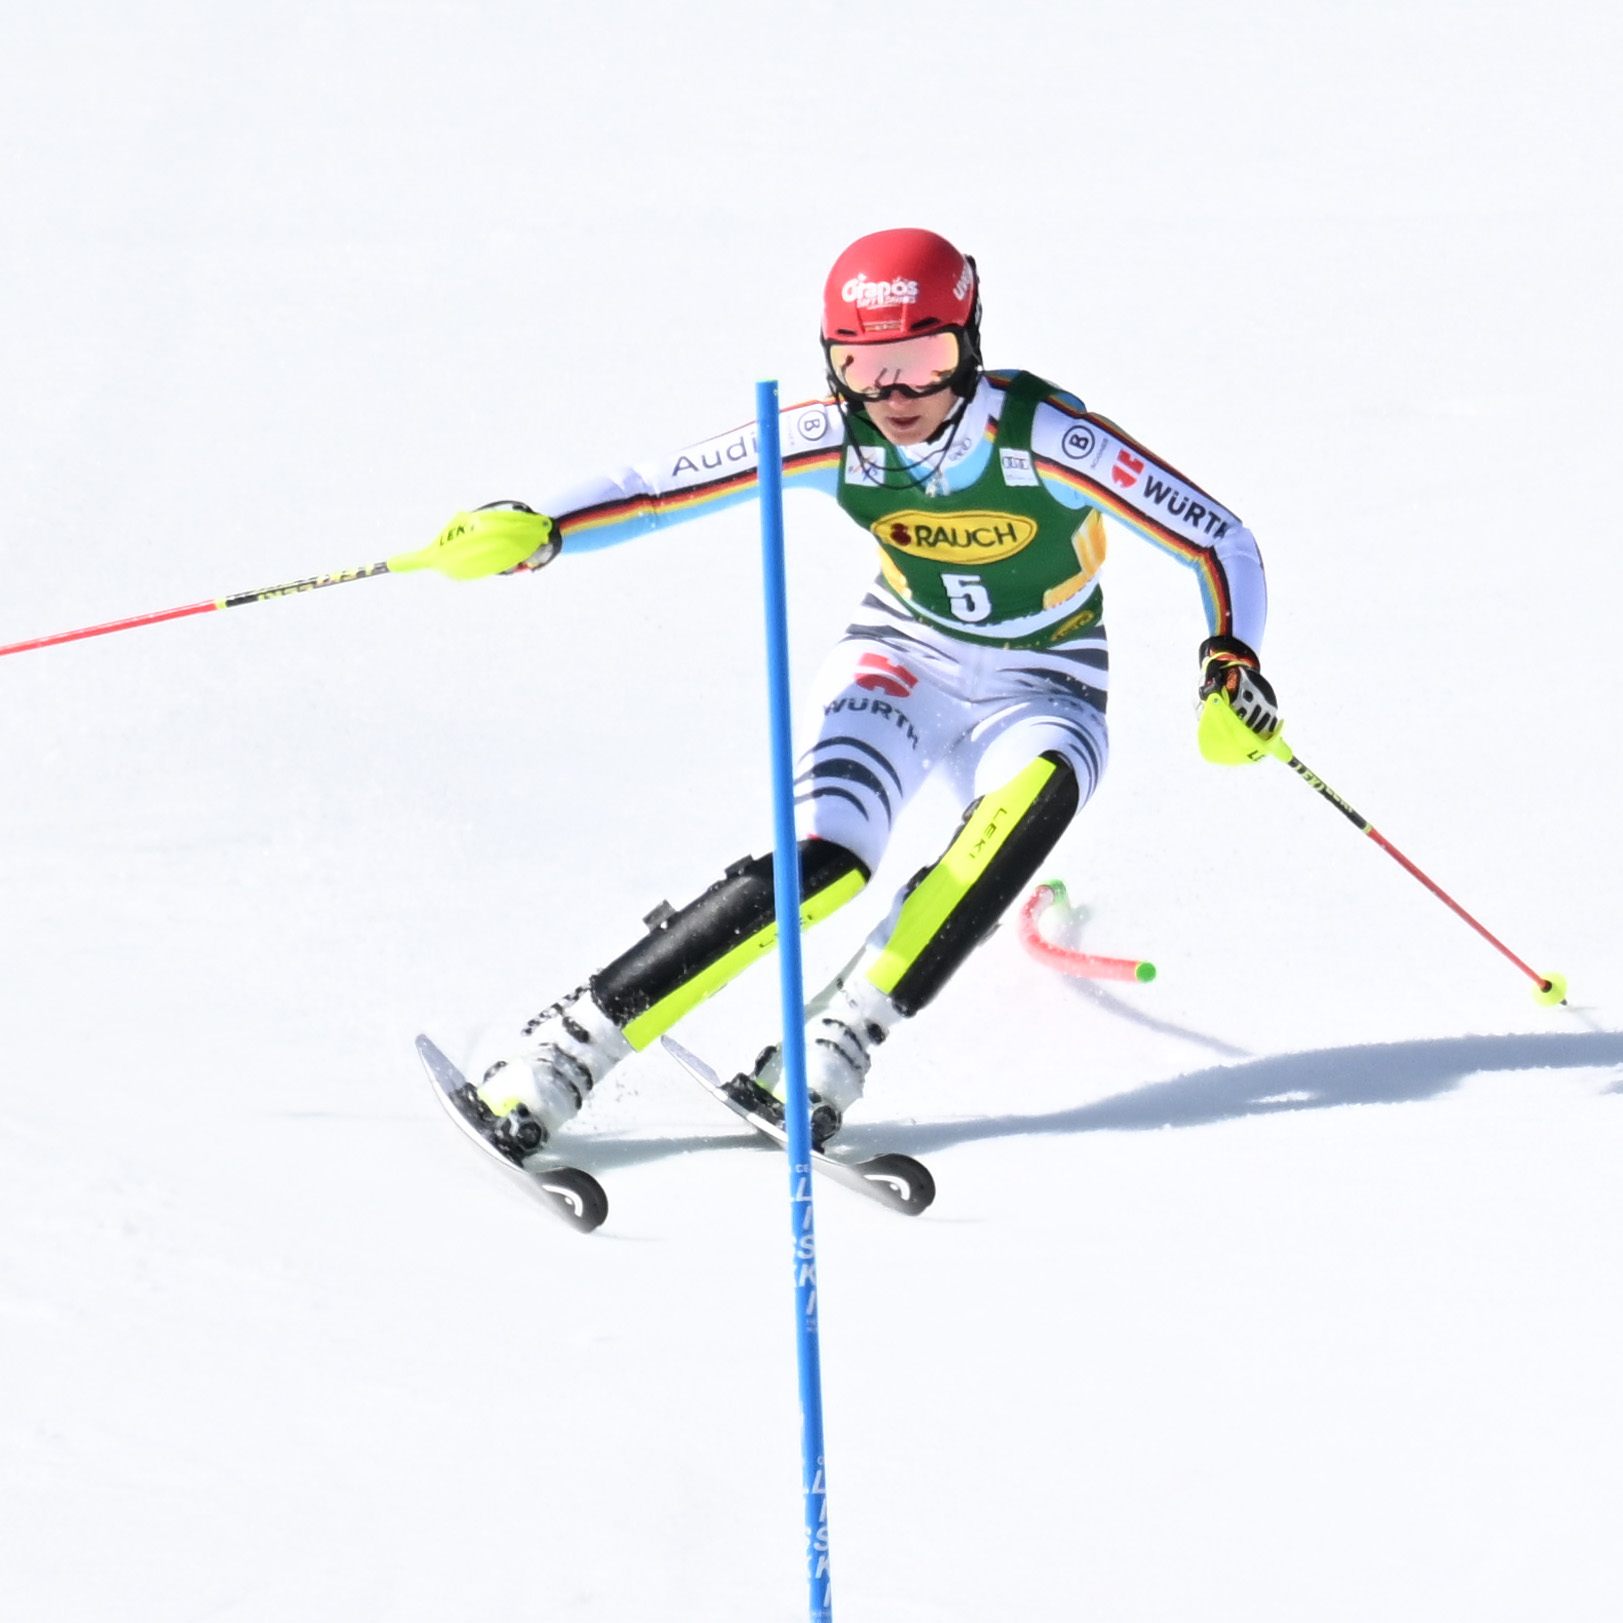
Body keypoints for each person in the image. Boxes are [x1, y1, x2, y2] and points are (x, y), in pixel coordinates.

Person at [411, 227, 1280, 1158]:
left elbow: (1216, 537)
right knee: (826, 861)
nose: (895, 395)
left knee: (1023, 818)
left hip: (1047, 681)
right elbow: (655, 490)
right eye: (862, 367)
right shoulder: (832, 433)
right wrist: (541, 529)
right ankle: (562, 1051)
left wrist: (1231, 659)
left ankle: (834, 1045)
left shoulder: (1046, 437)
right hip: (900, 661)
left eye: (924, 361)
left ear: (970, 343)